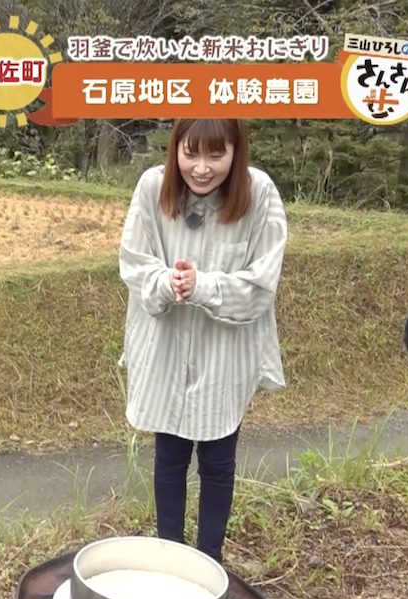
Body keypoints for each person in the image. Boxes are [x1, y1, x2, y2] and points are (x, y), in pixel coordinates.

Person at [117, 118, 288, 564]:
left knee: (218, 458)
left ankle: (210, 561)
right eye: (190, 153)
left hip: (224, 351)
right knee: (169, 454)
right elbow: (134, 262)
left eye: (216, 154)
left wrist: (204, 286)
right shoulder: (152, 187)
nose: (202, 168)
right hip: (165, 344)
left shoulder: (259, 193)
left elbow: (262, 283)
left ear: (236, 151)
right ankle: (170, 558)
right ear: (175, 149)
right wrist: (166, 282)